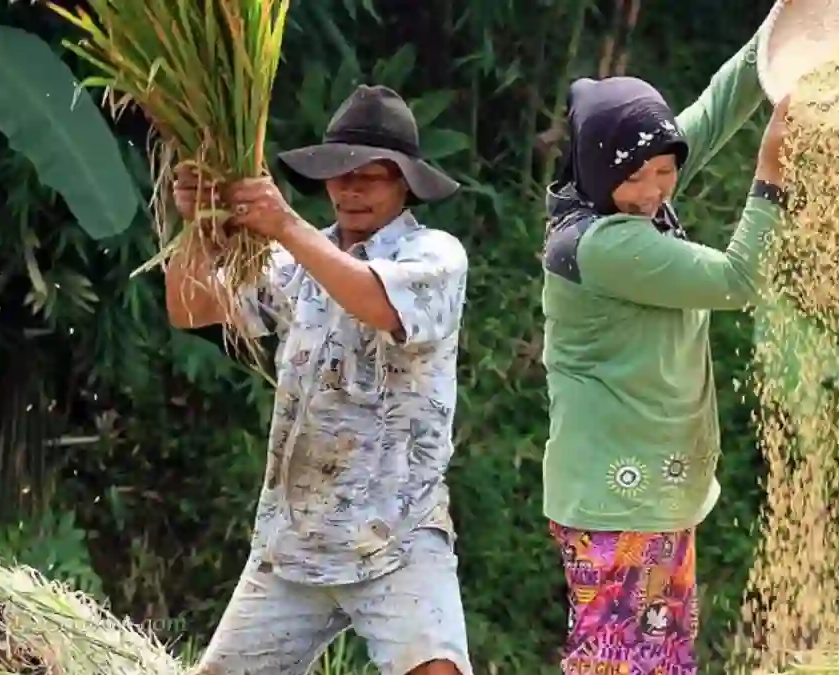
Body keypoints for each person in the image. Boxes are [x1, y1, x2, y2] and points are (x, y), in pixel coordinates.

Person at [165, 84, 472, 675]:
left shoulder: (434, 254)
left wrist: (283, 224)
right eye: (340, 174)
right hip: (295, 538)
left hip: (396, 532)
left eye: (371, 177)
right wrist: (198, 225)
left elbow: (375, 301)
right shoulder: (293, 263)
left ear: (405, 184)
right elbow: (193, 308)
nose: (352, 190)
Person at [538, 26, 792, 675]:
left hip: (653, 497)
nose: (655, 189)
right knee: (618, 665)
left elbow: (720, 103)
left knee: (659, 663)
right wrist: (772, 173)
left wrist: (783, 27)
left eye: (666, 170)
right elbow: (739, 281)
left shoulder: (629, 194)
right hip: (618, 502)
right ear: (601, 170)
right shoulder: (602, 243)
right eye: (637, 177)